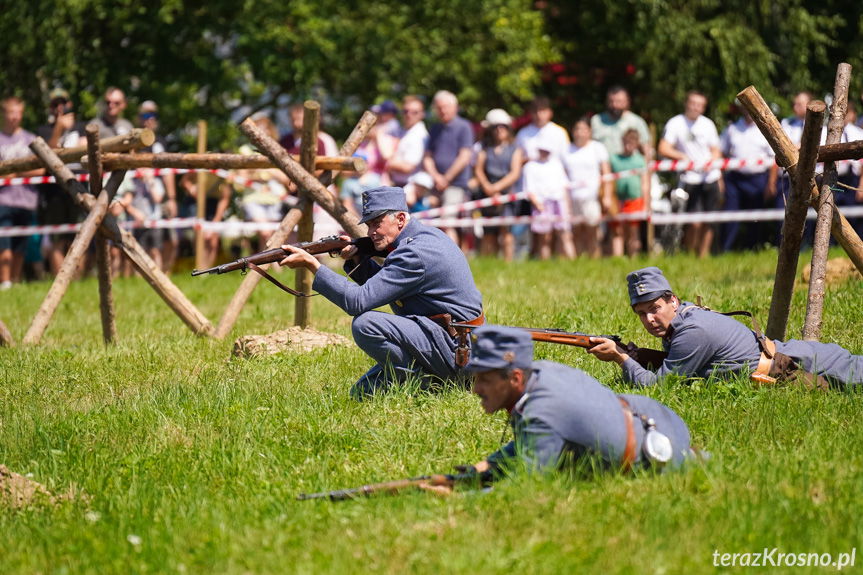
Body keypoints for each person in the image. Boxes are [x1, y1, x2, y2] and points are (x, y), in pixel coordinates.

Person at [277, 185, 484, 399]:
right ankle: (424, 379)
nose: (370, 232)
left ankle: (429, 384)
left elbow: (357, 302)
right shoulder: (423, 238)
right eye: (368, 225)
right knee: (361, 393)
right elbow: (388, 286)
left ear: (401, 219)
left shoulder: (413, 254)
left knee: (365, 324)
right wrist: (358, 259)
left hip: (457, 351)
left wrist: (313, 265)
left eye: (377, 223)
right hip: (450, 339)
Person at [458, 324, 695, 480]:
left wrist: (462, 492)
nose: (476, 389)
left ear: (515, 378)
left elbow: (525, 488)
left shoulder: (542, 412)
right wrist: (477, 470)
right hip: (655, 415)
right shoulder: (540, 372)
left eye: (484, 380)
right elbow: (527, 444)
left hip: (658, 456)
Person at [587, 266, 863, 390]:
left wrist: (620, 357)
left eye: (655, 308)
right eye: (641, 314)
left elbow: (658, 387)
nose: (649, 319)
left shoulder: (692, 331)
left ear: (673, 300)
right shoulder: (683, 320)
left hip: (801, 364)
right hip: (789, 359)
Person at [658, 91, 722, 258]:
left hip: (710, 178)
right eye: (693, 103)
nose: (695, 107)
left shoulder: (708, 124)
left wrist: (711, 163)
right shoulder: (675, 123)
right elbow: (663, 148)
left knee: (710, 220)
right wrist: (681, 157)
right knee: (694, 222)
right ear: (686, 103)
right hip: (689, 179)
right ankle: (691, 254)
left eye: (699, 105)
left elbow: (716, 151)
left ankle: (703, 256)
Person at [35, 88, 86, 276]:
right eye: (55, 104)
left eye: (62, 103)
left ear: (69, 104)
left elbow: (83, 154)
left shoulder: (81, 127)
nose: (59, 108)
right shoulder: (43, 130)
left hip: (78, 186)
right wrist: (58, 129)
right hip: (54, 191)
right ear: (50, 108)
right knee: (57, 238)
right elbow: (46, 155)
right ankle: (61, 280)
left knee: (80, 237)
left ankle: (78, 281)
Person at [423, 90, 474, 248]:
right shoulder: (434, 128)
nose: (442, 110)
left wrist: (446, 178)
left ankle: (453, 260)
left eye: (445, 107)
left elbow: (464, 156)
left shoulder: (464, 127)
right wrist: (436, 177)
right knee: (431, 224)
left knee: (447, 221)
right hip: (435, 184)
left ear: (455, 107)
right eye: (439, 108)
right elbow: (428, 157)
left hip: (456, 184)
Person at [0, 96, 42, 290]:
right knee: (4, 246)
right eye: (11, 112)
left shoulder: (29, 139)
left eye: (18, 113)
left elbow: (41, 169)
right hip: (3, 200)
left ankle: (15, 282)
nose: (15, 117)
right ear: (4, 113)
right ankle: (5, 282)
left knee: (20, 247)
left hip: (26, 201)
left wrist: (15, 171)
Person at [718, 107, 775, 252]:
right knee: (730, 215)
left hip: (758, 179)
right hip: (735, 179)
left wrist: (771, 183)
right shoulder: (732, 128)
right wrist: (720, 179)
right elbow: (721, 153)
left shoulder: (765, 130)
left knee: (755, 218)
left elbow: (774, 159)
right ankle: (726, 250)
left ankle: (753, 249)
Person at [474, 108, 523, 260]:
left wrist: (496, 189)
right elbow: (479, 170)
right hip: (487, 194)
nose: (499, 130)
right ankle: (489, 263)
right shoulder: (484, 148)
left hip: (507, 195)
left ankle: (508, 264)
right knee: (489, 233)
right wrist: (488, 188)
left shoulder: (515, 149)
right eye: (496, 127)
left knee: (506, 232)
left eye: (503, 126)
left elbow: (515, 173)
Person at [137, 100, 179, 272]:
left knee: (172, 241)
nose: (149, 119)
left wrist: (172, 198)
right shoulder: (135, 142)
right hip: (141, 199)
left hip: (161, 198)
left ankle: (166, 274)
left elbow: (167, 172)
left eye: (153, 115)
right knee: (149, 245)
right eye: (145, 115)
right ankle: (151, 277)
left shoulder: (161, 142)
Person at [563, 117, 611, 258]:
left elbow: (606, 173)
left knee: (593, 231)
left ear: (589, 131)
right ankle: (579, 262)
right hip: (572, 198)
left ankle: (594, 261)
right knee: (576, 232)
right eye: (577, 129)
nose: (580, 133)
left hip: (592, 197)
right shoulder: (567, 150)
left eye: (584, 129)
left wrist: (607, 196)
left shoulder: (597, 148)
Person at [524, 142, 574, 260]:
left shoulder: (556, 164)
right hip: (541, 203)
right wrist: (537, 203)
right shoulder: (531, 166)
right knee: (544, 237)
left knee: (564, 234)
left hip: (559, 201)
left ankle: (570, 261)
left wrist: (567, 205)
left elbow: (564, 186)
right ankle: (545, 261)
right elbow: (529, 188)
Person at [609, 129, 650, 257]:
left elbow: (645, 183)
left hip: (635, 199)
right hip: (617, 200)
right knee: (617, 231)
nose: (628, 146)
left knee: (633, 231)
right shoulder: (614, 159)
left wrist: (646, 203)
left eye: (631, 143)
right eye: (626, 142)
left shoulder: (640, 160)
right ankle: (618, 259)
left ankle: (633, 258)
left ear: (637, 144)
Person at [590, 86, 653, 162]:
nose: (614, 105)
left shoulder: (636, 122)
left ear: (627, 102)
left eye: (619, 101)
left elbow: (647, 151)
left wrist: (645, 171)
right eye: (611, 101)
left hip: (630, 170)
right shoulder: (596, 121)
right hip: (603, 169)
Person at [386, 96, 429, 188]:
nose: (409, 114)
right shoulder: (405, 132)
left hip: (408, 188)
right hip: (398, 185)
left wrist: (387, 162)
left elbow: (407, 167)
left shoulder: (419, 136)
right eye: (406, 111)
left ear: (422, 114)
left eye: (415, 112)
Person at [515, 96, 570, 165]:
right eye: (535, 111)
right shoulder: (523, 134)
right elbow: (515, 161)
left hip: (554, 173)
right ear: (531, 113)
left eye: (542, 111)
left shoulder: (560, 132)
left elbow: (566, 158)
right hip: (530, 174)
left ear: (550, 112)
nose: (539, 115)